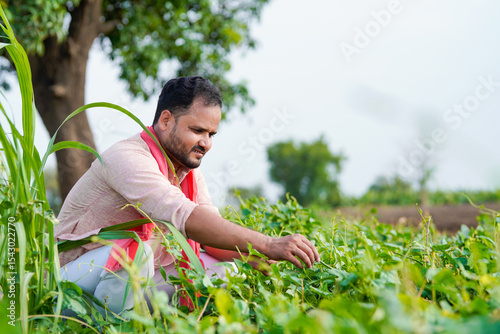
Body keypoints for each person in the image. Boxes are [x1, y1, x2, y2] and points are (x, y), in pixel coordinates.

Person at [55, 76, 320, 316]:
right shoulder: (127, 158)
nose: (206, 143)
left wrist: (252, 256)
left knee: (222, 272)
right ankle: (105, 328)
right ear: (166, 120)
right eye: (197, 131)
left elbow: (207, 231)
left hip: (124, 283)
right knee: (136, 253)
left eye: (211, 134)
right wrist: (268, 242)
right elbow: (187, 217)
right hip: (68, 285)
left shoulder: (186, 171)